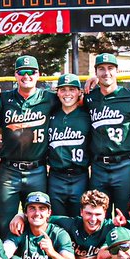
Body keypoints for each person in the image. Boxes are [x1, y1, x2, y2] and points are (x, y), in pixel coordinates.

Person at [0, 56, 56, 239]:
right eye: (22, 72)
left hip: (37, 168)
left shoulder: (49, 98)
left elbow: (76, 98)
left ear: (38, 75)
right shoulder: (4, 99)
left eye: (31, 72)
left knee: (39, 220)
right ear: (15, 75)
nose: (26, 76)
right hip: (9, 170)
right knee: (3, 220)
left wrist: (91, 82)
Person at [84, 53, 130, 213]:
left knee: (124, 215)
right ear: (96, 72)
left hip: (124, 164)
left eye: (110, 68)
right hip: (99, 166)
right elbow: (68, 100)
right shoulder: (89, 98)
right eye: (101, 69)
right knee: (98, 216)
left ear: (117, 71)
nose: (106, 73)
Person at [46, 73, 90, 218]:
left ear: (79, 92)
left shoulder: (87, 114)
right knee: (56, 220)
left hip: (80, 175)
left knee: (79, 219)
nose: (67, 94)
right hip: (56, 176)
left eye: (72, 89)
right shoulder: (50, 115)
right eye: (63, 89)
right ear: (57, 92)